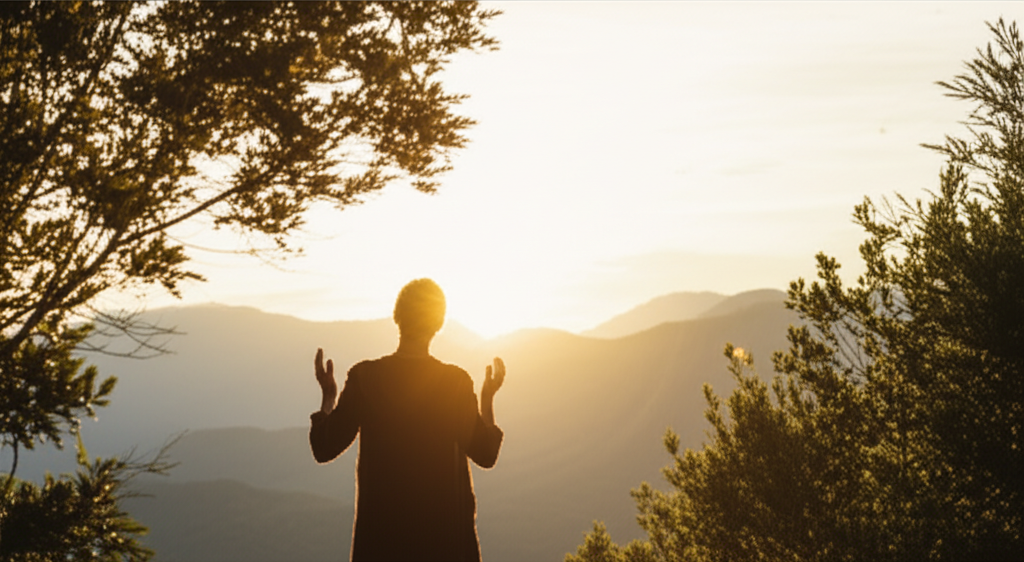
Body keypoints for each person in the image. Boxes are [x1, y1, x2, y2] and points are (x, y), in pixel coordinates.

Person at [309, 278, 505, 562]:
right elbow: (486, 454)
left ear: (397, 317)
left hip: (381, 547)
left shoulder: (365, 378)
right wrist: (488, 399)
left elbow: (324, 448)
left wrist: (328, 398)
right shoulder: (455, 383)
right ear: (438, 324)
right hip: (445, 548)